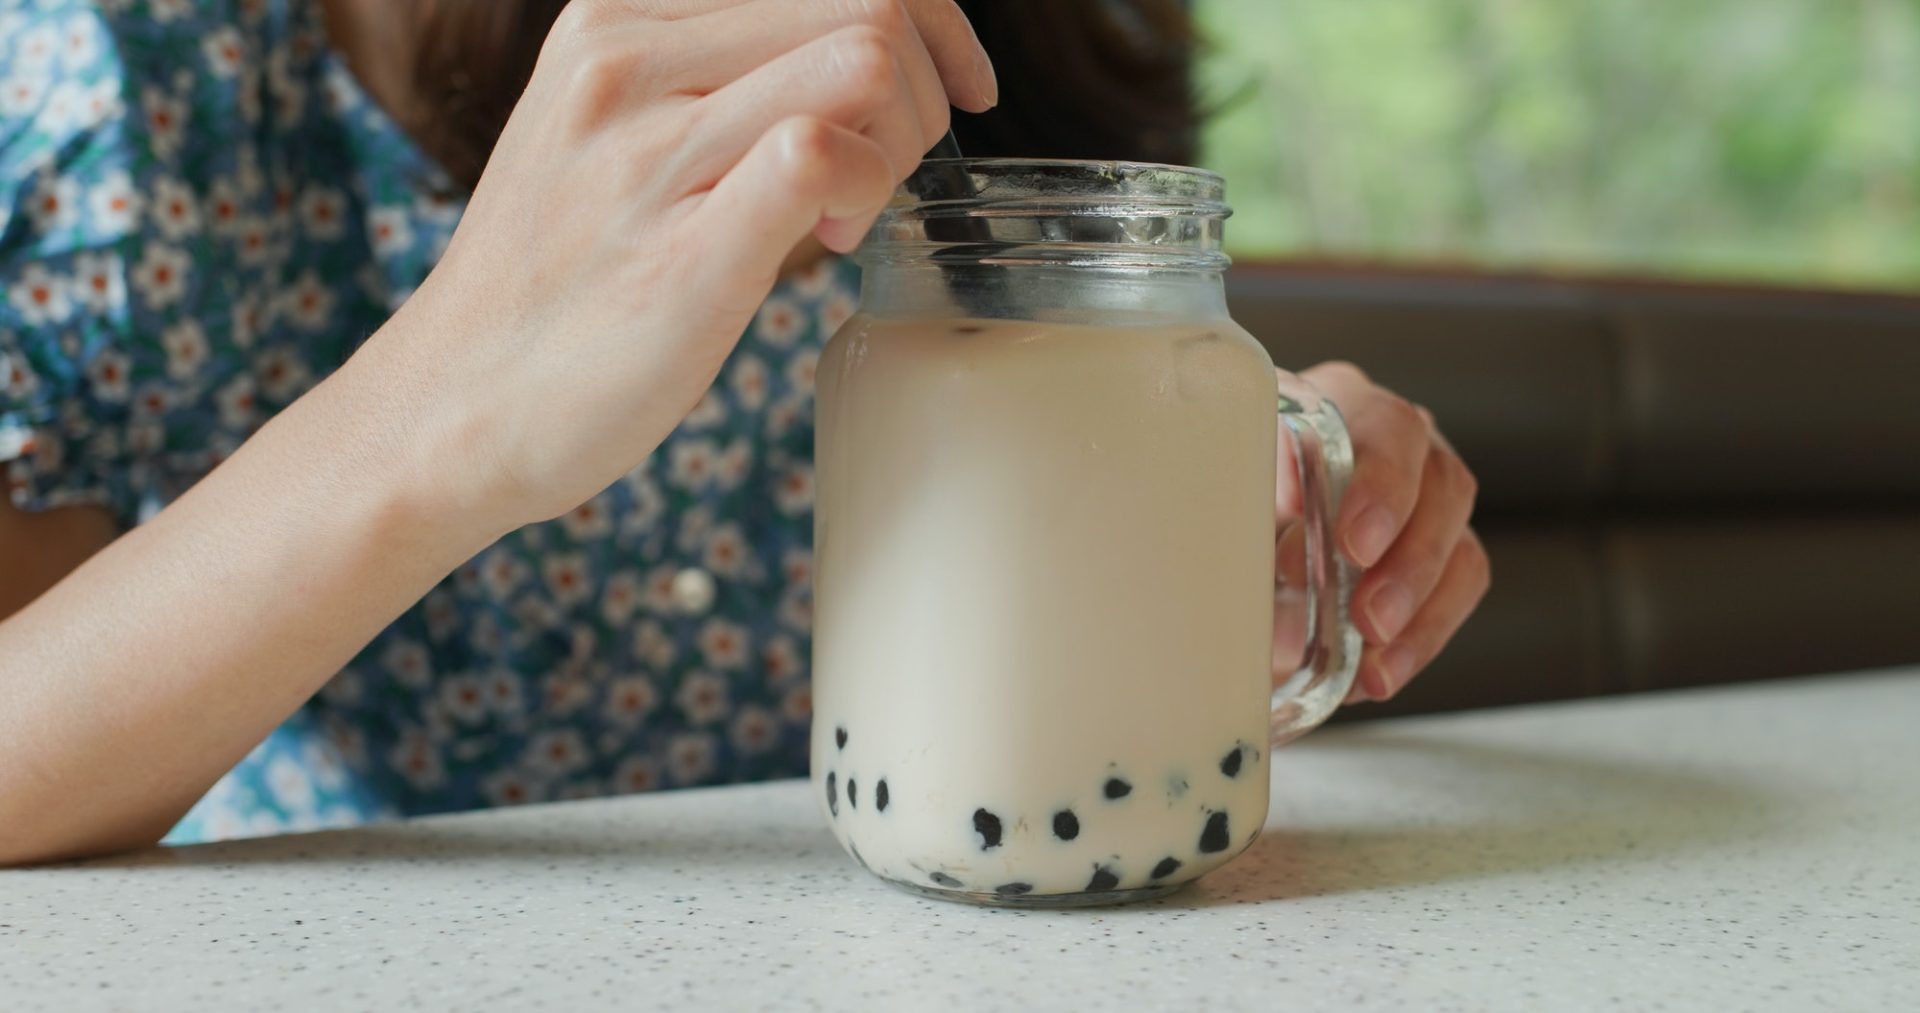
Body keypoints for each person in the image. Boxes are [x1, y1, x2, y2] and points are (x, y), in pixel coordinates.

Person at [0, 0, 1488, 866]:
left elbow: (1073, 488)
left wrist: (1241, 498)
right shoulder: (118, 81)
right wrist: (446, 407)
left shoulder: (1038, 38)